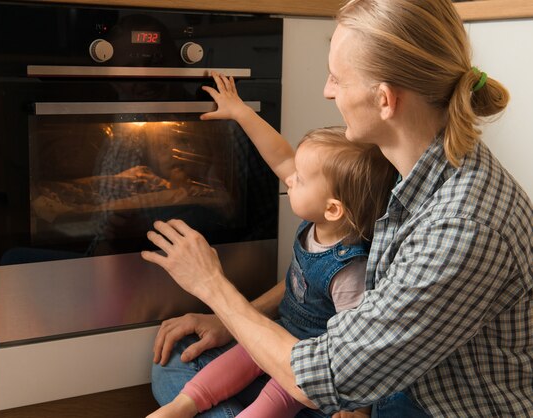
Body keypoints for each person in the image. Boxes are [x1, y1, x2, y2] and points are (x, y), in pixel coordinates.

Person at [141, 0, 533, 416]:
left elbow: (327, 377)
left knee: (212, 380)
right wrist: (233, 318)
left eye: (337, 78)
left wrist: (212, 286)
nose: (327, 91)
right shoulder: (400, 163)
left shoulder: (463, 227)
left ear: (384, 100)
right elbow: (313, 276)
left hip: (414, 404)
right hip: (372, 374)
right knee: (178, 359)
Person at [146, 110, 396, 417]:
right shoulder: (317, 219)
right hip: (281, 330)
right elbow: (280, 157)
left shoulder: (349, 270)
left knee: (274, 398)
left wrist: (357, 410)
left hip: (309, 361)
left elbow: (358, 348)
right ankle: (185, 403)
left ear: (332, 209)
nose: (290, 177)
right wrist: (241, 112)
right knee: (237, 357)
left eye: (300, 179)